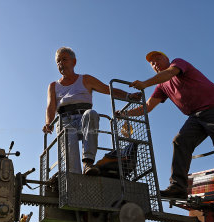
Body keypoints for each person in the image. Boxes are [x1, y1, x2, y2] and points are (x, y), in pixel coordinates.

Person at [116, 51, 214, 202]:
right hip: (196, 115)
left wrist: (145, 84)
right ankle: (178, 187)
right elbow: (148, 107)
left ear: (167, 59)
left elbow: (170, 73)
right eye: (152, 63)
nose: (155, 64)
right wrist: (125, 114)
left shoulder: (177, 64)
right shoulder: (162, 85)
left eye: (158, 59)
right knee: (180, 141)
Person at [43, 46, 141, 175]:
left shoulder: (85, 79)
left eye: (64, 59)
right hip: (65, 120)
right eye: (58, 61)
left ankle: (88, 163)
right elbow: (51, 106)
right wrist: (48, 122)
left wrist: (129, 96)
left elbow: (108, 90)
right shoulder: (53, 86)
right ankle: (74, 174)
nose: (61, 63)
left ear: (74, 62)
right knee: (67, 134)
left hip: (83, 118)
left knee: (92, 114)